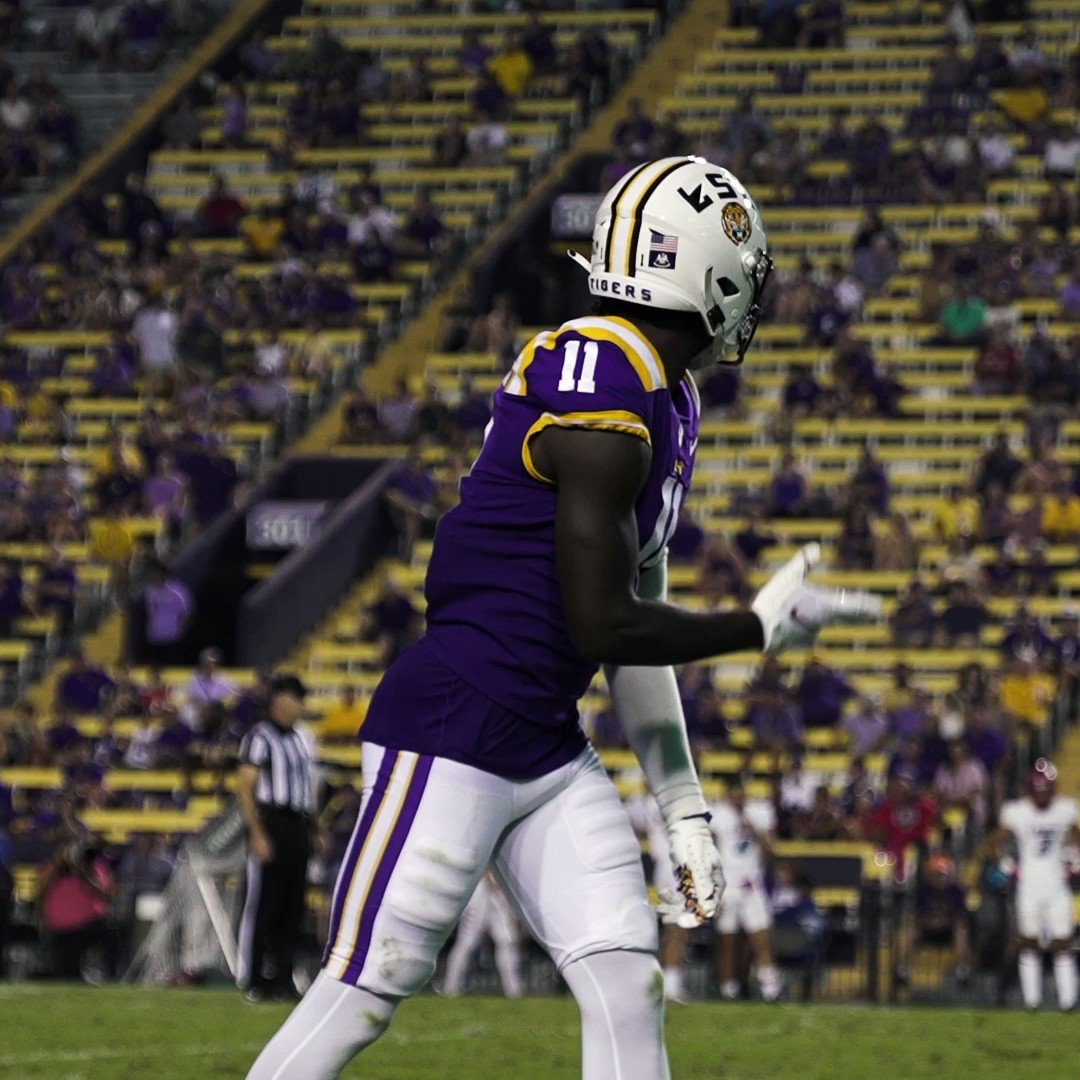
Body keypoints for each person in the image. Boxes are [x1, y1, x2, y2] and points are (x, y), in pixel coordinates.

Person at [246, 157, 879, 1079]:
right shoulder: (600, 366)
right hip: (455, 725)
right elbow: (604, 627)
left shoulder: (668, 394)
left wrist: (683, 804)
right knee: (363, 990)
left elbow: (637, 619)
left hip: (542, 743)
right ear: (704, 273)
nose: (754, 296)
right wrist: (753, 630)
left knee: (628, 984)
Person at [236, 675, 317, 1003]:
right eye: (296, 699)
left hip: (297, 822)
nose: (300, 706)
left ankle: (283, 976)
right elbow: (245, 786)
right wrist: (257, 831)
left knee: (293, 906)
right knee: (264, 905)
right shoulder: (259, 736)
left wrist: (314, 829)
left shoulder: (301, 739)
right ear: (281, 701)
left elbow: (307, 788)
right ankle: (254, 977)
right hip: (272, 820)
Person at [995, 760, 1079, 1011]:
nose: (1042, 794)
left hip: (1056, 885)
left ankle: (1068, 1001)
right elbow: (993, 843)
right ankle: (1032, 1001)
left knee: (1062, 942)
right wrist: (1008, 866)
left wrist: (1074, 860)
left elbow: (1076, 836)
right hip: (1029, 885)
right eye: (1038, 789)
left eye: (1046, 789)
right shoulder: (1017, 811)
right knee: (1028, 942)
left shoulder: (1066, 809)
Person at [711, 777, 781, 1002]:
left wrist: (756, 831)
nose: (738, 798)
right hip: (728, 886)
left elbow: (771, 853)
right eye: (733, 794)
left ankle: (770, 987)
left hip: (751, 885)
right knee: (728, 941)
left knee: (760, 938)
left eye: (741, 794)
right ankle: (728, 989)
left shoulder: (759, 814)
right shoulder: (717, 815)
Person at [442, 872, 525, 998]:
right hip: (479, 887)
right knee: (467, 941)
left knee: (507, 940)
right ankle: (450, 988)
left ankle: (515, 992)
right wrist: (488, 876)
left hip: (500, 888)